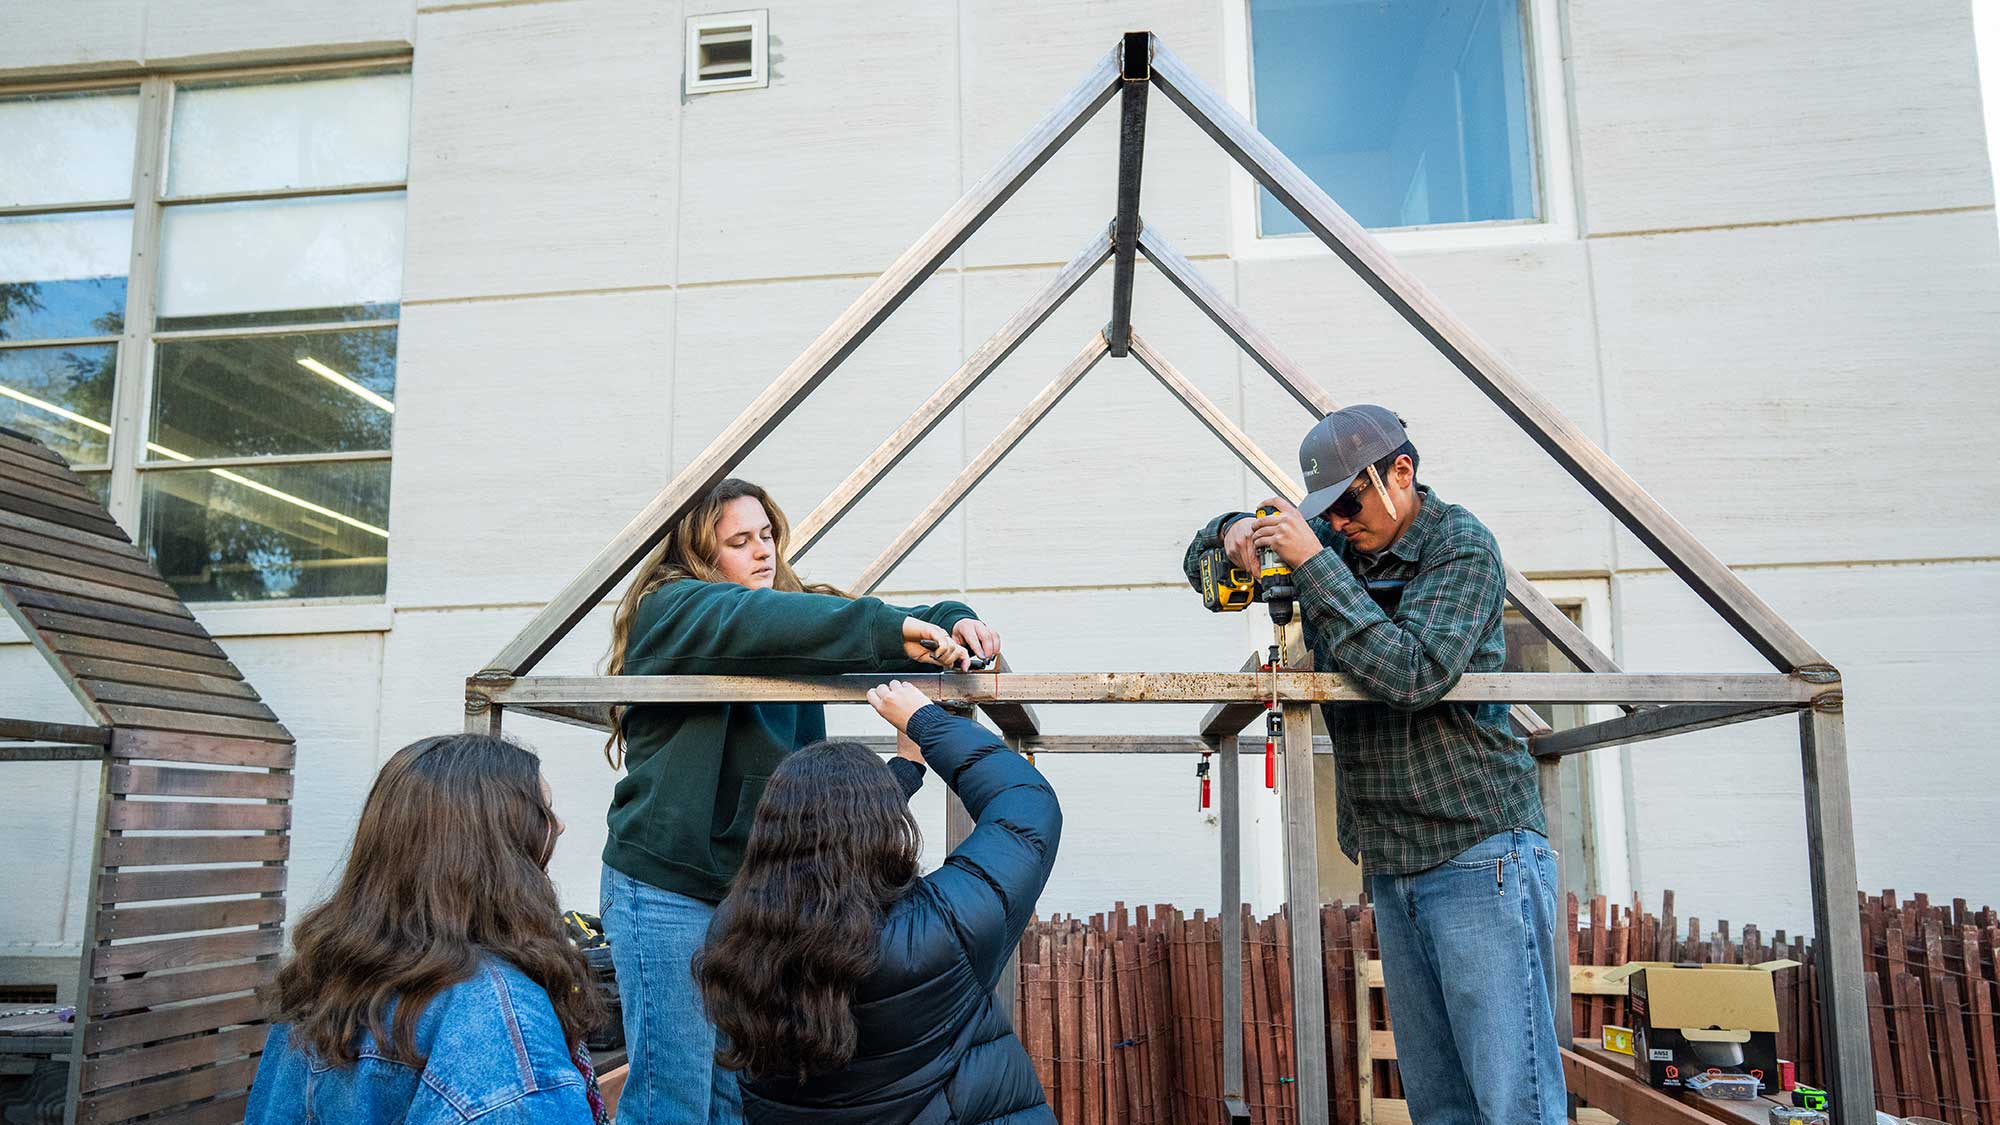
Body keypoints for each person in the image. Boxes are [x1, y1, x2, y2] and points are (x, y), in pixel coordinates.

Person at [1183, 405, 1562, 1125]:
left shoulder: (1461, 546)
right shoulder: (1341, 537)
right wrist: (1232, 531)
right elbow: (1202, 568)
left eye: (1349, 503)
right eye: (1326, 511)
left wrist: (1314, 564)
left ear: (1402, 472)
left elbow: (1413, 673)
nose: (1339, 521)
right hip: (1394, 859)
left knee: (1513, 1100)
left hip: (1478, 850)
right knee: (1440, 1104)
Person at [601, 478, 1005, 1124]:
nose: (763, 550)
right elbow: (756, 620)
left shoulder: (795, 618)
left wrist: (952, 618)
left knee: (737, 1095)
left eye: (767, 535)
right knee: (672, 1099)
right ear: (698, 554)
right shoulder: (671, 608)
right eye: (739, 541)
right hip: (666, 889)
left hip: (748, 899)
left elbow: (846, 622)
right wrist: (885, 629)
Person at [694, 680, 1061, 1123]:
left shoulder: (734, 937)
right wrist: (927, 723)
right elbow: (1025, 805)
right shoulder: (944, 931)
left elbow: (824, 842)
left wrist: (905, 771)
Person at [248, 734, 606, 1125]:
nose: (559, 826)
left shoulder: (325, 976)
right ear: (492, 844)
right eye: (543, 811)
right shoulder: (498, 1018)